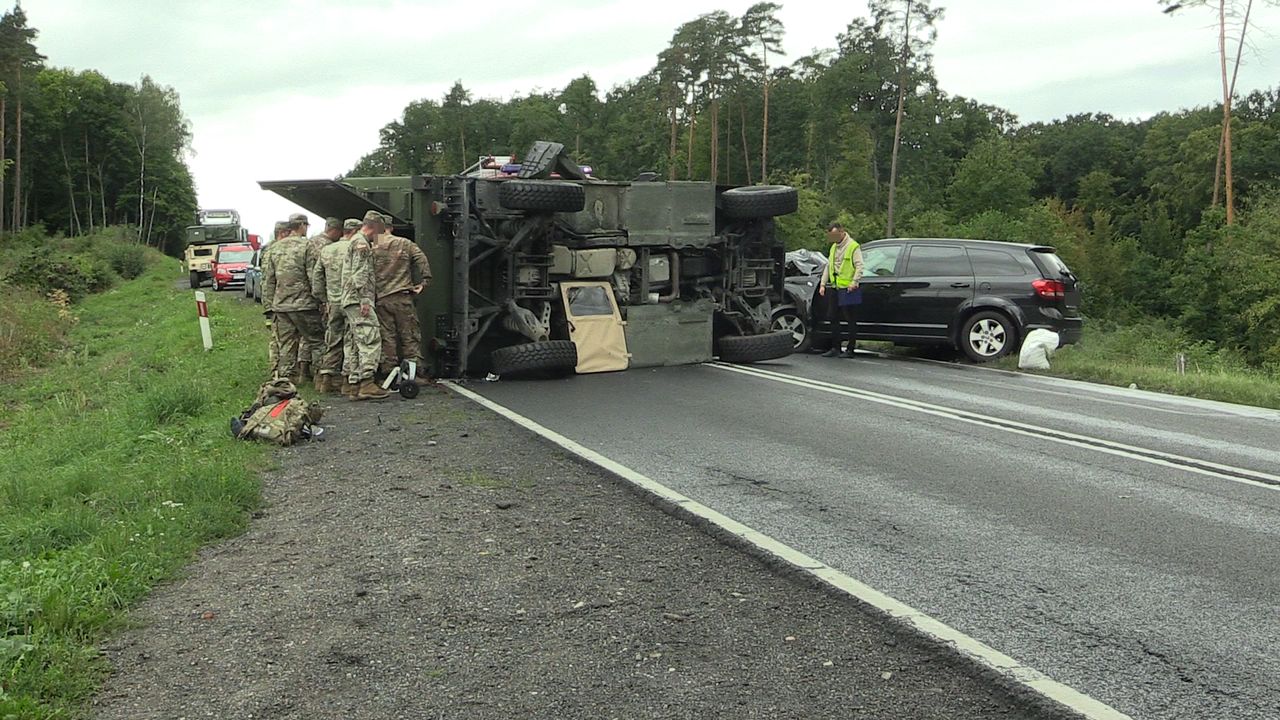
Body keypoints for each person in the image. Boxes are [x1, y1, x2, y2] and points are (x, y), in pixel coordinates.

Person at [261, 213, 324, 382]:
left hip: (281, 306)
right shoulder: (308, 246)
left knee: (286, 345)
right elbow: (313, 276)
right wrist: (321, 300)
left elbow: (268, 280)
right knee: (316, 342)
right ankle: (321, 379)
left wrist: (268, 308)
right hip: (305, 305)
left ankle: (286, 381)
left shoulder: (275, 248)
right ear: (302, 226)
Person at [371, 212, 432, 383]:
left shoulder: (372, 247)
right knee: (409, 336)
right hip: (402, 298)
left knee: (387, 337)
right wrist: (425, 281)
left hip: (381, 299)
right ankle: (414, 374)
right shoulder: (404, 243)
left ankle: (390, 375)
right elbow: (421, 258)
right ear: (390, 228)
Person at [340, 211, 390, 400]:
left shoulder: (355, 241)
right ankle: (367, 383)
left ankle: (354, 384)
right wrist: (364, 300)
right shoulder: (361, 243)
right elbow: (360, 274)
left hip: (349, 299)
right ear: (375, 226)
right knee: (370, 338)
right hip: (358, 299)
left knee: (356, 342)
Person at [311, 218, 361, 395]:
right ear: (356, 231)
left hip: (333, 302)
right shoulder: (356, 248)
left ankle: (325, 379)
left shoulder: (327, 250)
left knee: (332, 340)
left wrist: (324, 299)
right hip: (351, 302)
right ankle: (347, 382)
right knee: (350, 341)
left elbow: (317, 279)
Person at [818, 222, 865, 358]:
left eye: (834, 234)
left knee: (850, 319)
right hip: (835, 287)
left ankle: (850, 349)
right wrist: (823, 284)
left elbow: (859, 266)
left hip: (849, 288)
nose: (833, 238)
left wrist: (854, 282)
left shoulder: (853, 246)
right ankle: (835, 347)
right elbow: (828, 266)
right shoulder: (833, 247)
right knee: (832, 317)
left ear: (841, 232)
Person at [263, 220, 288, 377]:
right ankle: (276, 372)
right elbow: (267, 282)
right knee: (278, 339)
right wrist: (268, 309)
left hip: (278, 301)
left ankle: (281, 371)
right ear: (282, 233)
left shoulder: (272, 249)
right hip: (276, 303)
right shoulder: (272, 251)